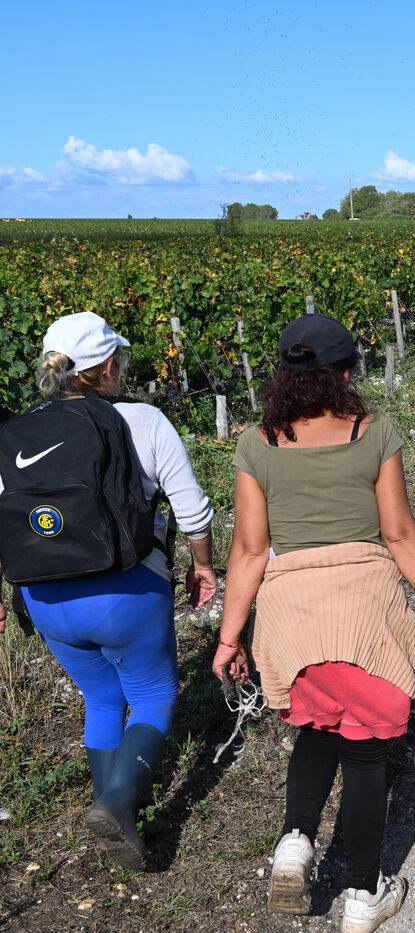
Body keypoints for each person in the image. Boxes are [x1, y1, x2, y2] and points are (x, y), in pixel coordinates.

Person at [214, 313, 415, 932]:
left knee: (318, 729)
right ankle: (362, 895)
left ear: (284, 377)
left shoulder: (257, 443)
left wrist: (229, 637)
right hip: (365, 616)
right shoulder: (373, 434)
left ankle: (294, 845)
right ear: (345, 375)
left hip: (291, 622)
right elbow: (398, 533)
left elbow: (249, 551)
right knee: (367, 754)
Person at [0, 311, 217, 870]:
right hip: (125, 593)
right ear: (105, 368)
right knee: (153, 694)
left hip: (45, 600)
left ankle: (112, 817)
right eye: (118, 360)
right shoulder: (141, 419)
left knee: (100, 699)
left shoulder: (19, 431)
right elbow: (192, 512)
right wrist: (202, 567)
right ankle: (118, 803)